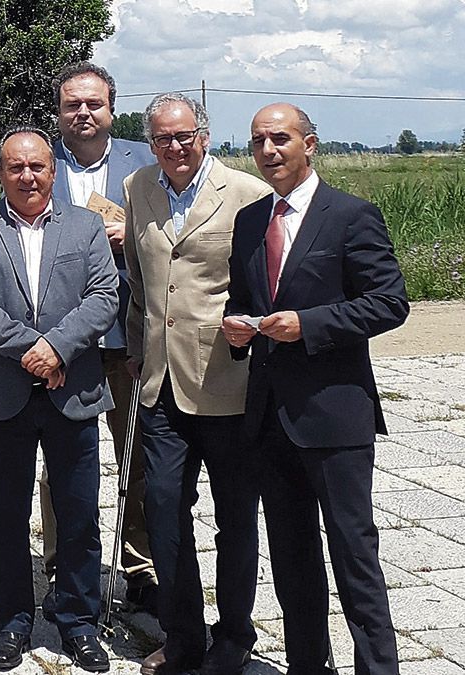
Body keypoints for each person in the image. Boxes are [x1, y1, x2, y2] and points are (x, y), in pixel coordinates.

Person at [223, 103, 408, 674]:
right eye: (257, 141)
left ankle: (377, 667)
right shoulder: (251, 220)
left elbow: (389, 303)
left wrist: (312, 325)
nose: (268, 151)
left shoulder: (351, 215)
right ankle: (309, 663)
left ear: (311, 144)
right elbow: (244, 300)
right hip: (269, 415)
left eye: (280, 138)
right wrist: (237, 329)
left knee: (353, 555)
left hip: (334, 414)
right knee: (293, 556)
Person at [0, 127, 119, 672]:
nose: (27, 176)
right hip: (2, 393)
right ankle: (13, 622)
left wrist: (59, 350)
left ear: (53, 170)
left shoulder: (87, 225)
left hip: (72, 391)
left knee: (78, 513)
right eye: (14, 167)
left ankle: (77, 621)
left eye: (37, 167)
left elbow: (104, 297)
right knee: (4, 515)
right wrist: (35, 349)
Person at [122, 94, 270, 675]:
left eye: (184, 137)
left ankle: (234, 635)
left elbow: (262, 285)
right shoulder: (139, 187)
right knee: (162, 510)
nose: (174, 149)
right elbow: (138, 281)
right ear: (150, 142)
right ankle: (182, 635)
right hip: (160, 385)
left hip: (227, 383)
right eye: (162, 139)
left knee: (236, 516)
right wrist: (137, 351)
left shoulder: (246, 194)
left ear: (204, 136)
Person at [42, 62, 158, 613]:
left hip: (133, 335)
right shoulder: (39, 164)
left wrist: (129, 235)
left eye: (94, 104)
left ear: (113, 108)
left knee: (139, 456)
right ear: (58, 112)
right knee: (61, 459)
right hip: (66, 338)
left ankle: (142, 567)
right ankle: (62, 565)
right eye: (72, 105)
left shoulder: (149, 160)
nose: (83, 113)